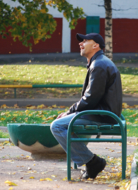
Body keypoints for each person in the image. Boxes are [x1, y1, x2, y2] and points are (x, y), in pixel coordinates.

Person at [50, 33, 122, 179]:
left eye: (85, 41)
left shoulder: (99, 65)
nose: (80, 44)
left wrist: (69, 112)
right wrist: (70, 113)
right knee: (61, 124)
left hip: (102, 115)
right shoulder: (99, 62)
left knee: (57, 126)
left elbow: (90, 99)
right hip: (102, 112)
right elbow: (91, 99)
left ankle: (92, 162)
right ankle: (91, 162)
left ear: (96, 46)